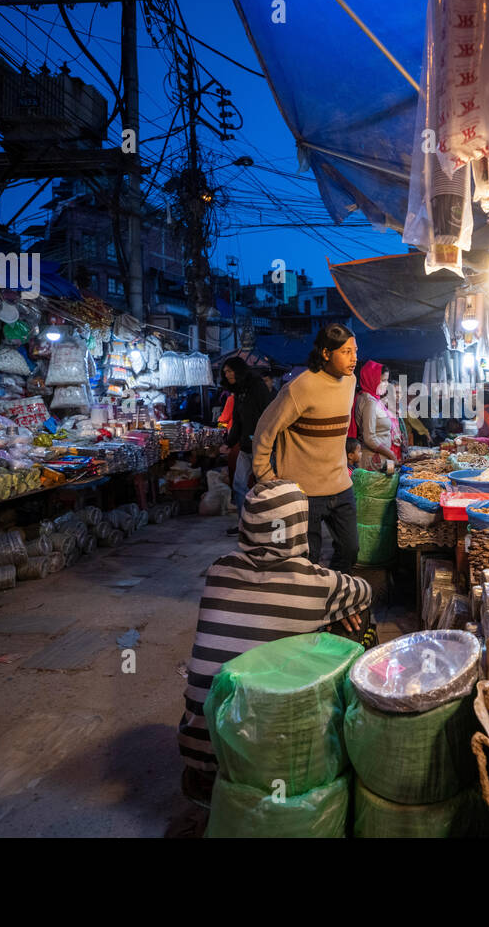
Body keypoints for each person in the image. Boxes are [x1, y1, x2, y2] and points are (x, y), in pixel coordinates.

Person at [176, 479, 372, 803]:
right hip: (268, 764)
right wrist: (336, 611)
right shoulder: (317, 584)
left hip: (198, 753)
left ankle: (208, 793)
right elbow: (365, 592)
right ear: (299, 526)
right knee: (355, 621)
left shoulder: (218, 571)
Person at [252, 323, 360, 573]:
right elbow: (265, 431)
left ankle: (333, 594)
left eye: (355, 351)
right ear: (325, 353)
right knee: (308, 559)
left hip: (341, 486)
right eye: (346, 352)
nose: (354, 358)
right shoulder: (299, 389)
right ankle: (311, 605)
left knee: (350, 550)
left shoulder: (350, 381)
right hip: (304, 492)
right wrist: (265, 475)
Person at [221, 356, 271, 532]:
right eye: (225, 372)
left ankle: (265, 523)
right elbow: (237, 420)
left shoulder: (257, 387)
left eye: (229, 371)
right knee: (239, 484)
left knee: (264, 487)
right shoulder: (239, 392)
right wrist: (229, 442)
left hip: (261, 447)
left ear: (238, 370)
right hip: (245, 447)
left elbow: (268, 414)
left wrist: (262, 438)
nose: (227, 375)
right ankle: (244, 524)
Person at [351, 361, 400, 472]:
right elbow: (369, 438)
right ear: (371, 379)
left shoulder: (370, 398)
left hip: (383, 458)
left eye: (387, 380)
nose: (386, 384)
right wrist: (391, 454)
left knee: (389, 486)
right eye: (383, 380)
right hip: (374, 462)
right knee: (379, 489)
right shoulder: (370, 402)